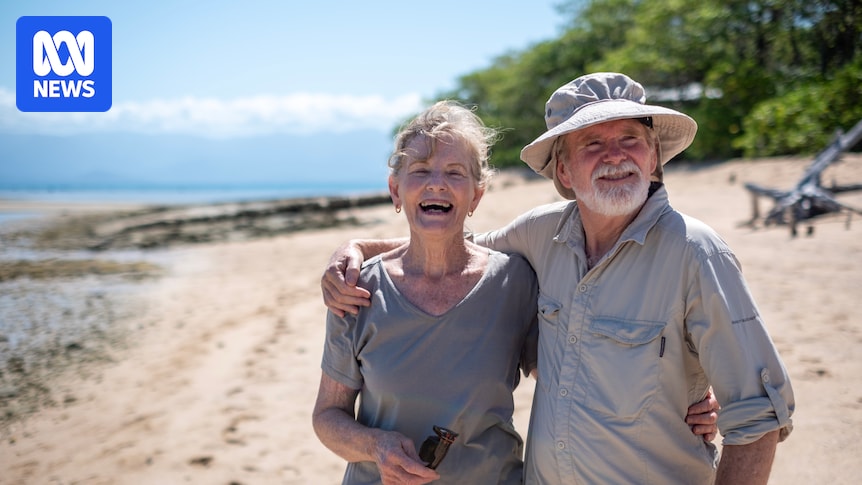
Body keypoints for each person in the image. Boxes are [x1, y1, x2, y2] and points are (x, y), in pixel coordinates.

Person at [321, 72, 793, 484]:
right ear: (564, 170)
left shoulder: (697, 251)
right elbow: (449, 241)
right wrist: (357, 249)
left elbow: (758, 416)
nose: (614, 156)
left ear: (653, 158)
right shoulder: (540, 236)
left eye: (629, 139)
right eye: (592, 144)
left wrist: (699, 395)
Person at [312, 100, 541, 484]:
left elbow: (564, 377)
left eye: (455, 172)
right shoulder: (356, 289)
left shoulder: (516, 281)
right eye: (420, 171)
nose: (437, 183)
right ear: (395, 191)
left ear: (477, 195)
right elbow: (327, 417)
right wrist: (375, 446)